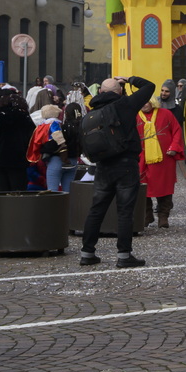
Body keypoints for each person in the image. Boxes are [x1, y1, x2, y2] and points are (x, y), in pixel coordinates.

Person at [77, 76, 154, 267]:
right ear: (119, 91)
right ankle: (124, 255)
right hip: (126, 164)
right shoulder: (125, 105)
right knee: (125, 212)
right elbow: (149, 86)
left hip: (103, 165)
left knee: (96, 210)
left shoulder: (94, 110)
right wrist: (129, 79)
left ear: (100, 92)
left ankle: (87, 253)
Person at [137, 96, 184, 229]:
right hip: (142, 159)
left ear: (152, 102)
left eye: (146, 102)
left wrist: (174, 147)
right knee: (142, 187)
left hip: (164, 159)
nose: (144, 105)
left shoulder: (166, 114)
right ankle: (147, 215)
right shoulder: (135, 116)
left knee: (165, 188)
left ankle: (163, 216)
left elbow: (177, 131)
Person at [0, 89, 35, 192]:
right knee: (18, 190)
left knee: (1, 189)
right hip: (17, 160)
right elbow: (32, 138)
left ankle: (3, 203)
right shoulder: (24, 117)